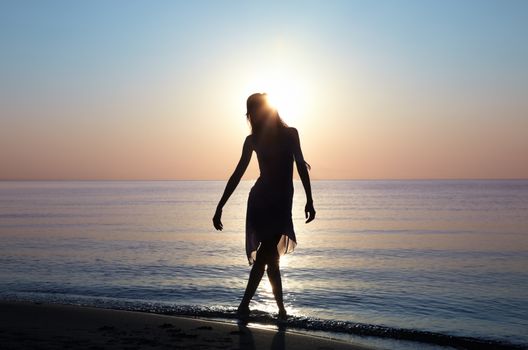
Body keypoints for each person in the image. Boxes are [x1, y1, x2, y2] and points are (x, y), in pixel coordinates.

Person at [212, 92, 316, 320]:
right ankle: (271, 310)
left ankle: (268, 309)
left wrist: (309, 199)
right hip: (261, 201)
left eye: (258, 109)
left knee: (270, 257)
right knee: (268, 255)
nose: (255, 114)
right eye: (252, 110)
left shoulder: (290, 135)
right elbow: (238, 173)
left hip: (281, 203)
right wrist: (220, 205)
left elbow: (300, 165)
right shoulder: (253, 140)